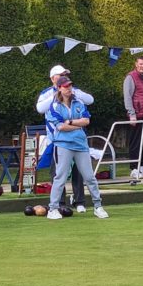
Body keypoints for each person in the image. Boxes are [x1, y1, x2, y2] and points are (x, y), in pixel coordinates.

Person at [44, 77, 108, 220]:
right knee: (60, 177)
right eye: (65, 86)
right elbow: (61, 127)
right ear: (59, 88)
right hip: (63, 144)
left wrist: (71, 122)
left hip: (81, 145)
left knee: (90, 177)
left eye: (70, 86)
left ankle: (98, 206)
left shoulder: (79, 103)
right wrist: (76, 125)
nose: (68, 88)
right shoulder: (54, 106)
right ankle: (52, 208)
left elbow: (86, 121)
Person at [37, 65, 96, 212]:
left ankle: (79, 201)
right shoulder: (47, 94)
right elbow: (40, 109)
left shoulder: (74, 92)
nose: (65, 77)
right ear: (53, 79)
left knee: (79, 170)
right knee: (58, 173)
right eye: (61, 75)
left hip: (76, 139)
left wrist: (72, 93)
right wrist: (57, 94)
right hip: (56, 140)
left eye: (66, 75)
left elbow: (90, 100)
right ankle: (60, 203)